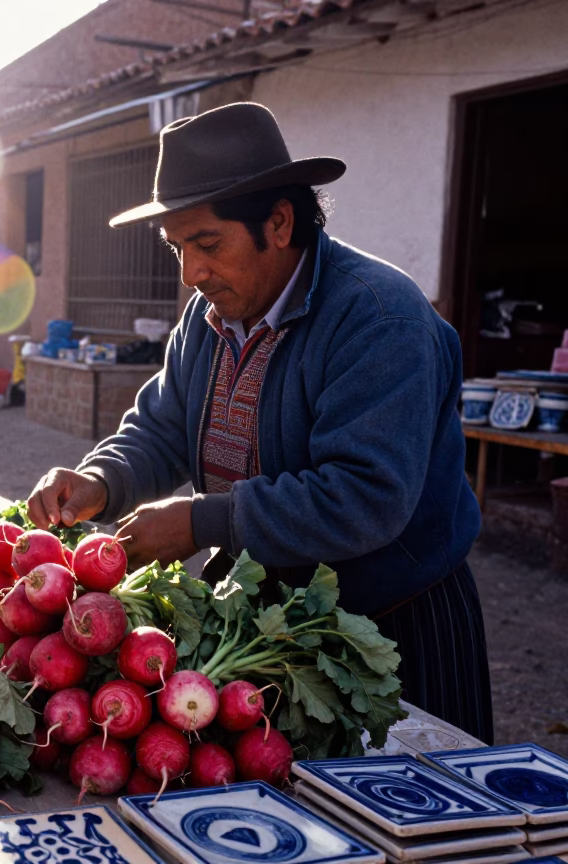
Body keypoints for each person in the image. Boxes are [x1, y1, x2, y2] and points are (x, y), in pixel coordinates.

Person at [26, 102, 490, 742]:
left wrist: (203, 520)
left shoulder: (380, 320)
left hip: (395, 624)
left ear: (278, 221)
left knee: (429, 824)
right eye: (177, 248)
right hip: (268, 623)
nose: (192, 273)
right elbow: (162, 426)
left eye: (207, 244)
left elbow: (364, 496)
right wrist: (98, 480)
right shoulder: (210, 315)